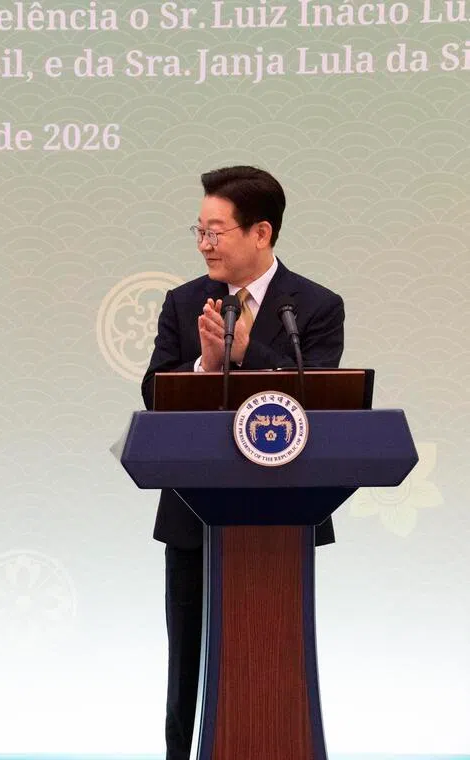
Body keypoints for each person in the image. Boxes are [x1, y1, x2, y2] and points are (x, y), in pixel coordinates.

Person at [141, 166, 344, 759]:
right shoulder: (184, 302)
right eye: (199, 231)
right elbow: (154, 393)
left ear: (261, 232)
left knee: (274, 657)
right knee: (188, 664)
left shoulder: (315, 306)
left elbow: (318, 396)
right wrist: (204, 368)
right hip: (193, 515)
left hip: (284, 516)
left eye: (216, 231)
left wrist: (249, 353)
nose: (204, 244)